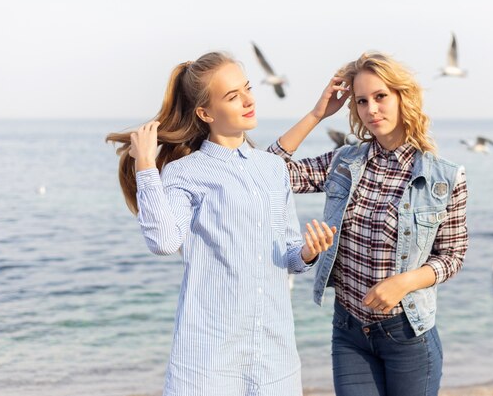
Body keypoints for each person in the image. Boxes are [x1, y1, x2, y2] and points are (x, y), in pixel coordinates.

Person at [106, 51, 337, 396]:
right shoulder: (185, 172)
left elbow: (289, 257)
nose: (248, 100)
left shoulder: (272, 169)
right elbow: (164, 242)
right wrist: (144, 166)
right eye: (233, 96)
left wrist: (306, 253)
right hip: (209, 361)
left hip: (275, 358)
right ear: (205, 112)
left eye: (246, 89)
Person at [267, 52, 468, 396]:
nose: (371, 109)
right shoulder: (344, 161)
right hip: (349, 331)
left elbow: (452, 255)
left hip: (408, 334)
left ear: (403, 97)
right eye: (362, 101)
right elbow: (269, 174)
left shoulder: (444, 177)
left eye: (380, 97)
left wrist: (404, 283)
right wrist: (317, 114)